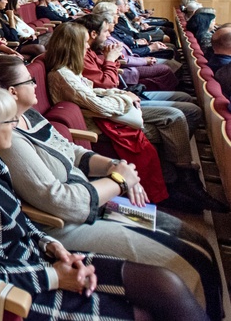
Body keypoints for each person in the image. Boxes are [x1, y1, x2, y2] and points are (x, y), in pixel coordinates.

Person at [0, 78, 209, 321]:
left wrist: (55, 249)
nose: (17, 124)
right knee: (151, 305)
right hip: (20, 286)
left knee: (165, 280)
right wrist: (57, 276)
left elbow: (22, 221)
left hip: (46, 255)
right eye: (12, 121)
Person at [46, 22, 227, 214]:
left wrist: (121, 95)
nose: (87, 47)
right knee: (173, 123)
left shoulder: (68, 71)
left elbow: (94, 91)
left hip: (108, 115)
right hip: (100, 125)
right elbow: (99, 104)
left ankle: (176, 178)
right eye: (83, 43)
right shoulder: (62, 75)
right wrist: (125, 98)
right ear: (72, 46)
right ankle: (177, 180)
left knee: (175, 121)